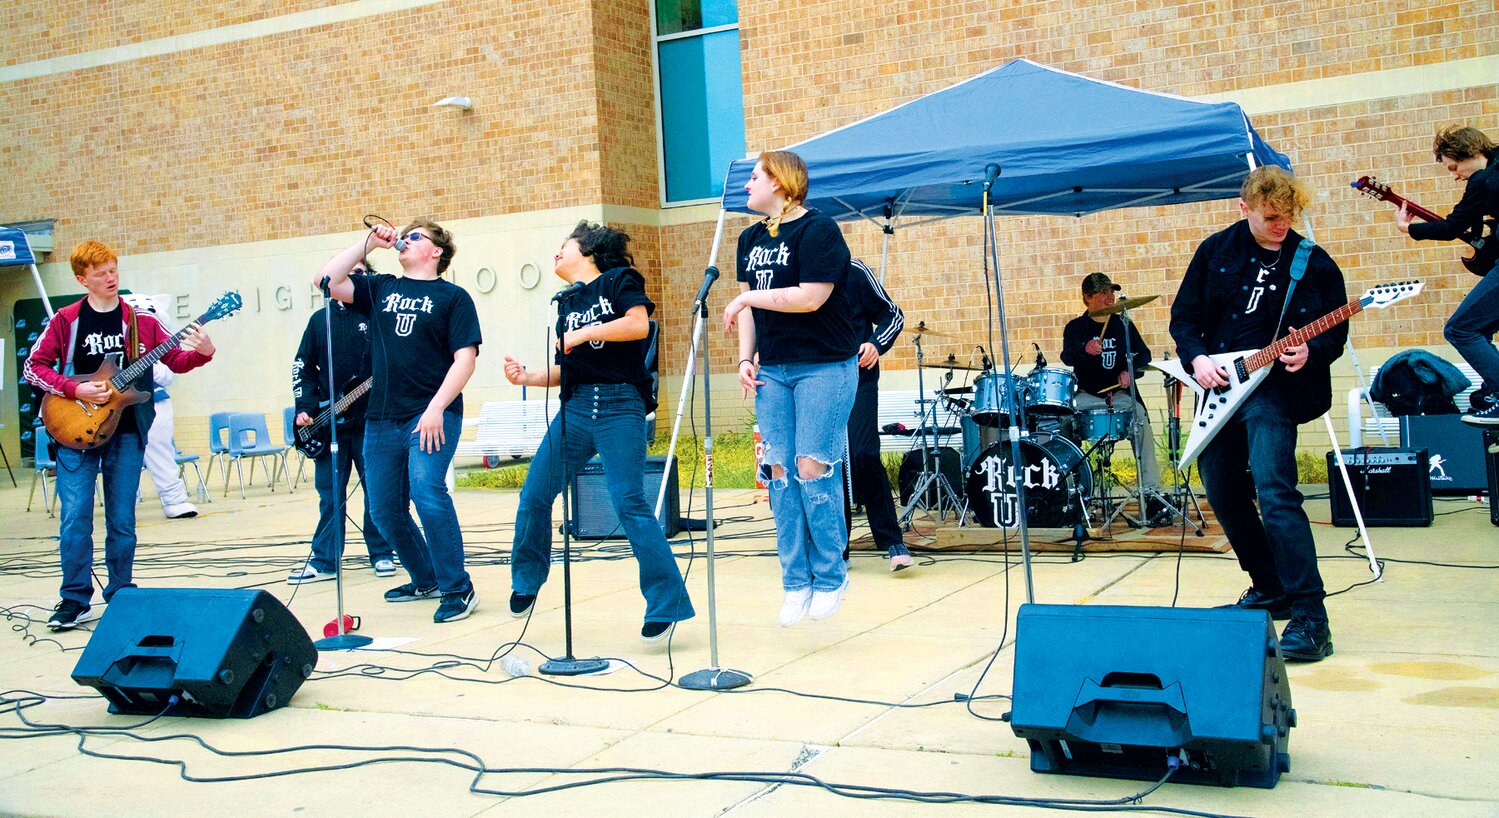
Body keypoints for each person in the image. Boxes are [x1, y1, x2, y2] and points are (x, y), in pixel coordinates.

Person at [1170, 166, 1347, 662]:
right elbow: (1184, 318)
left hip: (1274, 390)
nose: (1280, 226)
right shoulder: (1215, 251)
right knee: (1222, 490)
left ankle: (1312, 615)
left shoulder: (1311, 261)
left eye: (1288, 216)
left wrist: (1312, 350)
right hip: (1221, 384)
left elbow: (1333, 330)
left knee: (1275, 490)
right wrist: (1198, 359)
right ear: (1243, 208)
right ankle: (1269, 587)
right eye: (1271, 217)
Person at [503, 222, 695, 642]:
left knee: (629, 502)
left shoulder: (618, 281)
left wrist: (583, 332)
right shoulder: (567, 302)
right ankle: (527, 578)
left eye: (563, 244)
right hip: (575, 407)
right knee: (534, 493)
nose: (556, 252)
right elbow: (573, 368)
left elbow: (638, 325)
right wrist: (528, 377)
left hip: (619, 406)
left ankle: (667, 603)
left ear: (587, 249)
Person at [25, 241, 216, 630]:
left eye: (113, 270)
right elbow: (33, 367)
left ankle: (121, 593)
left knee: (122, 519)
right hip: (73, 428)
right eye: (100, 274)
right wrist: (74, 389)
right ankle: (74, 599)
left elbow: (175, 360)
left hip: (127, 430)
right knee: (75, 519)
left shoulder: (141, 320)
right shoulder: (65, 320)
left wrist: (204, 352)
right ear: (82, 280)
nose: (111, 278)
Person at [319, 219, 482, 623]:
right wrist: (368, 244)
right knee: (384, 510)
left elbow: (466, 360)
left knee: (428, 493)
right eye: (403, 236)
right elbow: (325, 280)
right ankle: (425, 577)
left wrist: (435, 409)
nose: (405, 241)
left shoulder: (453, 298)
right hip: (381, 418)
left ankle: (457, 588)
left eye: (415, 236)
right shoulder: (381, 288)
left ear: (436, 251)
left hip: (431, 415)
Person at [725, 150, 860, 626]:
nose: (747, 187)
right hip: (774, 369)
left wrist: (744, 295)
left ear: (779, 183)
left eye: (755, 177)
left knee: (812, 465)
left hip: (824, 365)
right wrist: (745, 358)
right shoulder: (750, 238)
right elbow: (751, 312)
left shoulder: (819, 230)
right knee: (778, 471)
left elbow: (810, 296)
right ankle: (795, 581)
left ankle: (830, 575)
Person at [286, 264, 397, 585]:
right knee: (330, 496)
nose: (355, 277)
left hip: (372, 422)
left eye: (362, 273)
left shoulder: (379, 317)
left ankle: (382, 553)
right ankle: (324, 560)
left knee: (376, 493)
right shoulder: (320, 321)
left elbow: (397, 362)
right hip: (329, 426)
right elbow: (302, 367)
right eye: (351, 273)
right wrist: (305, 408)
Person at [1391, 125, 1499, 427]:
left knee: (1460, 329)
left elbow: (1452, 227)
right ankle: (1492, 392)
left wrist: (1407, 228)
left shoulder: (1483, 179)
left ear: (1471, 154)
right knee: (1480, 328)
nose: (1455, 175)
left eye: (1454, 166)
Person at [1060, 273, 1164, 508]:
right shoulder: (1076, 327)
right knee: (1064, 422)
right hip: (1086, 396)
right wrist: (1084, 348)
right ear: (1087, 297)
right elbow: (1067, 357)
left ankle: (1150, 491)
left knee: (1140, 418)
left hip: (1118, 396)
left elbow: (1144, 355)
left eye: (1112, 292)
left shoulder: (1122, 325)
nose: (1110, 297)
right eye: (1103, 292)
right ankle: (1072, 490)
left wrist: (1131, 371)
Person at [842, 258, 911, 571]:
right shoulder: (797, 277)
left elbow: (892, 315)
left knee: (864, 454)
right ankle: (836, 546)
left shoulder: (853, 271)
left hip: (859, 377)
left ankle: (891, 539)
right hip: (816, 381)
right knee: (827, 462)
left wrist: (875, 343)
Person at [120, 293, 199, 520]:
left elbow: (170, 374)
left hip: (155, 401)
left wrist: (148, 368)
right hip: (120, 405)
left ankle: (174, 499)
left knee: (161, 451)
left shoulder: (161, 343)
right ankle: (124, 501)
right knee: (122, 454)